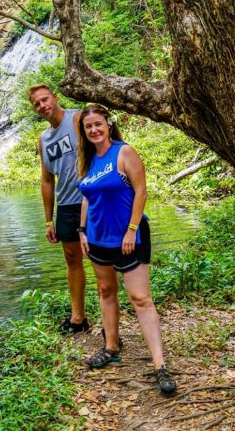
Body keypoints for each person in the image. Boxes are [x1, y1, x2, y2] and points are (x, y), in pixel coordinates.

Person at [75, 104, 177, 394]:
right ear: (83, 132)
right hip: (96, 238)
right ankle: (110, 347)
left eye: (98, 124)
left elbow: (141, 191)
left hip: (128, 236)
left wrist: (131, 229)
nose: (94, 130)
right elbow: (87, 196)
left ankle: (159, 366)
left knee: (141, 298)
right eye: (88, 127)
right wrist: (82, 231)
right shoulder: (86, 159)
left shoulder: (124, 152)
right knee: (106, 291)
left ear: (108, 124)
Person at [29, 84, 89, 334]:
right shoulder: (44, 139)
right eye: (37, 104)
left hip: (90, 200)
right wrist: (47, 220)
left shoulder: (78, 119)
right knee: (72, 259)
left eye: (45, 99)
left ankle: (111, 324)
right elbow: (47, 180)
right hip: (65, 205)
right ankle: (78, 318)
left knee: (99, 261)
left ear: (55, 97)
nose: (43, 105)